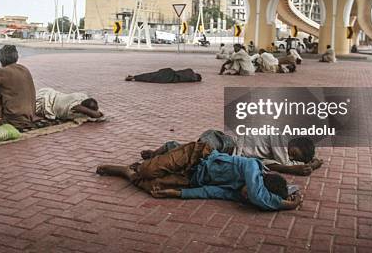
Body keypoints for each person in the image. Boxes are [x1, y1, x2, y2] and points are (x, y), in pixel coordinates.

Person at [97, 143, 301, 211]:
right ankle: (158, 155)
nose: (247, 197)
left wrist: (176, 193)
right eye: (252, 194)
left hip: (193, 177)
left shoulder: (240, 194)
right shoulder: (252, 167)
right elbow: (257, 197)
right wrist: (286, 205)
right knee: (147, 171)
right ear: (261, 184)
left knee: (154, 188)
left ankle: (125, 172)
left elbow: (209, 191)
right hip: (196, 156)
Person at [141, 130, 322, 177]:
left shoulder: (277, 154)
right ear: (294, 142)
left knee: (192, 157)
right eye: (294, 153)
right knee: (192, 155)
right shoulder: (281, 137)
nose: (291, 157)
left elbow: (271, 164)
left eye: (294, 158)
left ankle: (167, 148)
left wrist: (304, 165)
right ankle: (162, 151)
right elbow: (285, 164)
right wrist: (309, 165)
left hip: (226, 151)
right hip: (224, 142)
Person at [36, 88, 104, 122]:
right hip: (46, 101)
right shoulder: (74, 110)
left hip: (48, 93)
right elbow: (96, 115)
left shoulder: (82, 96)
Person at [125, 68, 202, 83]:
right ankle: (134, 77)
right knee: (150, 77)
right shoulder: (192, 78)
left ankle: (134, 77)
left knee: (151, 74)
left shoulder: (190, 71)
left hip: (169, 72)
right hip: (169, 78)